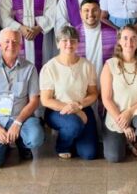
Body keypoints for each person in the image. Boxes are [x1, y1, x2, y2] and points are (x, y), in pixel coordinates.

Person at [0, 29, 46, 168]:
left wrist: (18, 123)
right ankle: (5, 145)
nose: (11, 45)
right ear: (0, 45)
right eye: (7, 42)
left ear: (20, 45)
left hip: (22, 119)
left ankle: (22, 144)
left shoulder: (29, 68)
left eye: (15, 42)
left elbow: (34, 101)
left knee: (35, 138)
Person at [40, 26, 100, 160]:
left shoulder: (87, 65)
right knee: (74, 124)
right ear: (57, 43)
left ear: (78, 43)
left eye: (73, 40)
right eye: (64, 40)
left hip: (82, 107)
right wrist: (75, 110)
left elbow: (93, 94)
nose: (69, 44)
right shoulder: (49, 67)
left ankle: (74, 138)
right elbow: (46, 100)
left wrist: (78, 105)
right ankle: (63, 146)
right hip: (57, 111)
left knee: (89, 154)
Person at [100, 25, 137, 162]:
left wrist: (130, 112)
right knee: (114, 157)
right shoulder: (110, 65)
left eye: (133, 38)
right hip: (116, 116)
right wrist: (125, 125)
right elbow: (106, 99)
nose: (129, 42)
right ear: (119, 41)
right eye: (125, 38)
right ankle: (126, 140)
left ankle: (135, 139)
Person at [76, 0, 117, 73]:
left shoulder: (114, 34)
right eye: (86, 10)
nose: (90, 14)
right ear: (80, 13)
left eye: (94, 10)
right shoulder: (74, 35)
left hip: (106, 80)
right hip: (81, 80)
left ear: (100, 12)